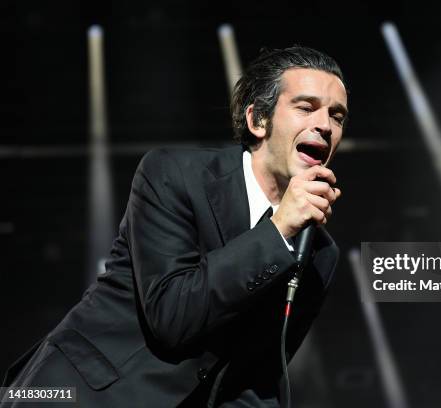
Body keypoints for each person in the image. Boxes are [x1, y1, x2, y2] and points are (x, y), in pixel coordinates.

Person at [1, 46, 348, 407]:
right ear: (257, 120)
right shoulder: (175, 175)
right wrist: (277, 231)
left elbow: (251, 377)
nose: (324, 125)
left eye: (337, 117)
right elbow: (172, 316)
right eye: (306, 108)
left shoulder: (320, 253)